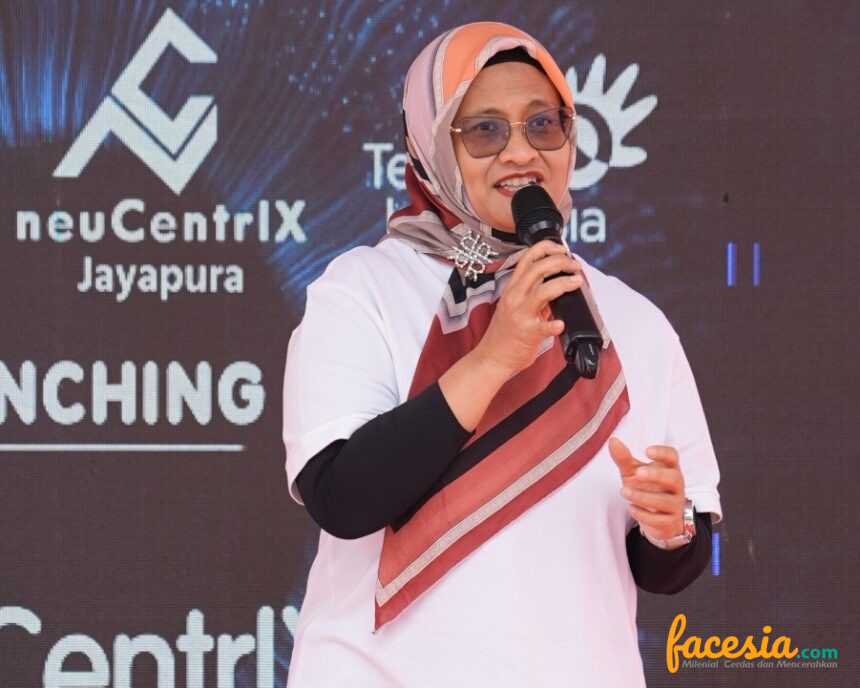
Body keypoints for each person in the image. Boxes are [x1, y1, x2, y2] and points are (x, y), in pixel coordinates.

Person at [282, 21, 722, 687]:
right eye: (485, 131)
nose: (521, 152)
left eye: (543, 124)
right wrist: (492, 360)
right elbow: (342, 499)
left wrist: (670, 527)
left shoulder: (634, 322)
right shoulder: (362, 290)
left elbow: (665, 565)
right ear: (432, 145)